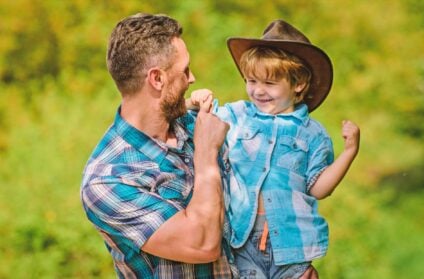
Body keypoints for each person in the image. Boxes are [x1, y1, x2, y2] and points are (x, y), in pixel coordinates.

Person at [188, 19, 360, 278]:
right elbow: (195, 124)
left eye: (269, 84)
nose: (257, 91)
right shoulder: (237, 115)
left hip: (293, 247)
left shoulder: (313, 135)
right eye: (251, 80)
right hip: (242, 241)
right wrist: (193, 102)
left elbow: (318, 188)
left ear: (298, 83)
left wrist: (350, 151)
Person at [80, 13, 236, 278]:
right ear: (157, 79)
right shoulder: (107, 181)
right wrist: (207, 154)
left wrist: (291, 267)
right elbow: (203, 244)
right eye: (185, 70)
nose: (193, 78)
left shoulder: (193, 124)